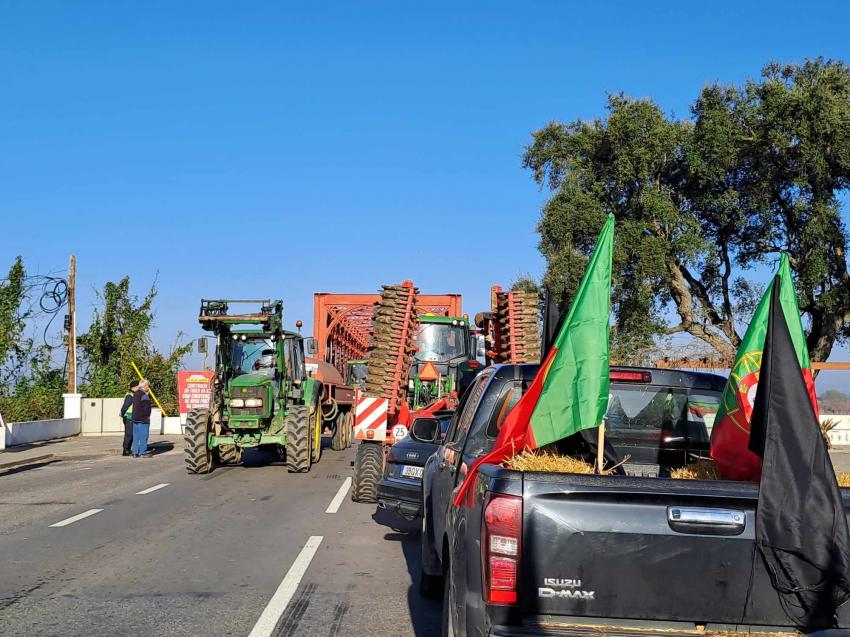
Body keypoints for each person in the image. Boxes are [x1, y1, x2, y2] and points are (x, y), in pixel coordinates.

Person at [131, 379, 153, 458]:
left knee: (136, 436)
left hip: (135, 418)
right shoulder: (144, 395)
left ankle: (135, 452)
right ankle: (142, 452)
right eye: (148, 386)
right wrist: (147, 416)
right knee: (143, 436)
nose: (149, 387)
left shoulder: (135, 394)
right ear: (145, 386)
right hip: (143, 419)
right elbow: (147, 408)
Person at [119, 380, 139, 456]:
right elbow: (125, 407)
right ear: (134, 387)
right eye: (138, 386)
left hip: (133, 417)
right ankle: (125, 450)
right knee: (129, 434)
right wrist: (123, 415)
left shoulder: (134, 394)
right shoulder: (129, 395)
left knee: (132, 434)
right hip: (129, 417)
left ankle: (129, 449)